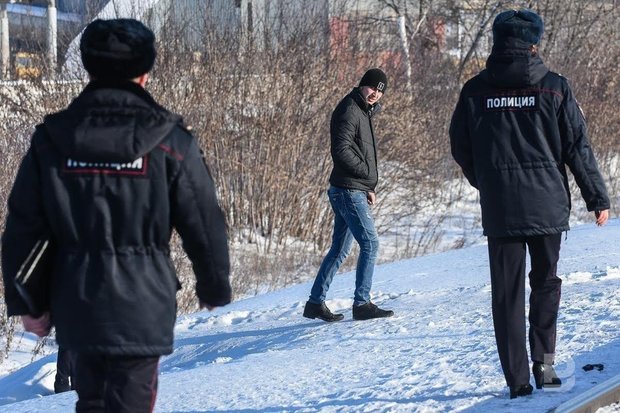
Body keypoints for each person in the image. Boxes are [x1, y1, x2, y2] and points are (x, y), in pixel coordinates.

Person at [1, 18, 232, 412]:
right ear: (144, 73)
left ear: (89, 69)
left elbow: (23, 227)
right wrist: (213, 285)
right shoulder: (170, 140)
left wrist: (28, 301)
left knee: (93, 400)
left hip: (77, 301)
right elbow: (204, 220)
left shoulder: (52, 139)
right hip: (143, 305)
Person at [449, 9, 610, 399]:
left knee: (507, 294)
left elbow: (460, 145)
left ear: (497, 43)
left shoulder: (474, 90)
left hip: (501, 208)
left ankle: (517, 380)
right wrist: (596, 197)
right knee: (546, 284)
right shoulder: (555, 87)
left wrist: (488, 182)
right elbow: (577, 146)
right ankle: (545, 364)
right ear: (534, 44)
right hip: (547, 205)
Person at [303, 68, 394, 322]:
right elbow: (341, 149)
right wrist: (365, 175)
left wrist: (368, 186)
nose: (376, 94)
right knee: (370, 244)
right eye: (372, 87)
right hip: (348, 190)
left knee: (340, 250)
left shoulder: (363, 110)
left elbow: (358, 149)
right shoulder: (350, 109)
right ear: (362, 84)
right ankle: (362, 304)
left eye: (380, 91)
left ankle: (315, 303)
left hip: (351, 188)